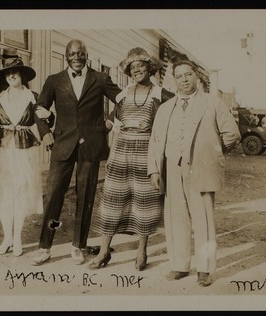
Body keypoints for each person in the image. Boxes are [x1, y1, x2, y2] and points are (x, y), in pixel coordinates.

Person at [148, 59, 240, 286]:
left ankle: (205, 269)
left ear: (196, 76)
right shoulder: (165, 108)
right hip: (172, 168)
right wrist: (154, 171)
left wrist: (214, 154)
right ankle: (179, 265)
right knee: (175, 219)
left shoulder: (212, 103)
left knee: (204, 220)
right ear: (174, 80)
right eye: (179, 76)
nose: (184, 80)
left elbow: (232, 134)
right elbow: (155, 140)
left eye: (188, 75)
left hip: (202, 169)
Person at [31, 39, 122, 266]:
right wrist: (45, 133)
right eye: (72, 53)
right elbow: (39, 109)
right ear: (66, 56)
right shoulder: (54, 80)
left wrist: (110, 122)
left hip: (91, 145)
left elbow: (123, 100)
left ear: (86, 55)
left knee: (86, 196)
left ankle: (78, 245)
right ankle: (44, 247)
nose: (77, 57)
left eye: (81, 53)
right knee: (53, 196)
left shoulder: (100, 78)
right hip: (62, 145)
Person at [90, 48, 174, 271]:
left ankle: (141, 251)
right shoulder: (123, 94)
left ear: (150, 68)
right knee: (112, 201)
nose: (136, 70)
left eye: (141, 66)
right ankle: (104, 251)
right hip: (121, 151)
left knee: (144, 202)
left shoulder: (161, 95)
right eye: (132, 67)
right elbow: (116, 125)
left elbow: (173, 121)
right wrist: (111, 154)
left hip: (146, 152)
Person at [0, 57, 53, 257]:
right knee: (5, 193)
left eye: (15, 72)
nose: (11, 75)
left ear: (22, 75)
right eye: (7, 73)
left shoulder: (32, 96)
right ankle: (7, 238)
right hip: (4, 150)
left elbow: (43, 120)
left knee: (21, 191)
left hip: (25, 151)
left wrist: (48, 125)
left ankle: (18, 240)